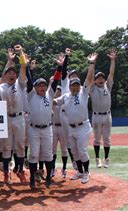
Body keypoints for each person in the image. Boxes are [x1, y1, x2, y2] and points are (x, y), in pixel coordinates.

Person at [54, 53, 97, 184]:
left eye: (77, 85)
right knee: (74, 151)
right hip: (71, 127)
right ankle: (79, 172)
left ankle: (86, 172)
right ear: (70, 86)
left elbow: (89, 79)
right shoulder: (66, 96)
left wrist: (91, 64)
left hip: (83, 127)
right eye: (73, 85)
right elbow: (54, 101)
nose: (75, 87)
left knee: (82, 150)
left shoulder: (84, 93)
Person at [25, 53, 63, 189]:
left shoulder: (50, 94)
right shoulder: (30, 95)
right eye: (39, 85)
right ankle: (32, 179)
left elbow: (57, 80)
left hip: (47, 129)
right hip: (34, 129)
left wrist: (60, 67)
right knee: (34, 154)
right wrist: (28, 66)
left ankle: (48, 178)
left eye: (44, 85)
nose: (42, 87)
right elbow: (29, 80)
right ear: (35, 87)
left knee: (48, 154)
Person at [0, 46, 28, 184]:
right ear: (5, 75)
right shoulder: (0, 88)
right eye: (9, 73)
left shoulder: (20, 84)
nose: (11, 74)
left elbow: (23, 65)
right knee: (6, 146)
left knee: (20, 145)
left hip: (19, 118)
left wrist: (20, 52)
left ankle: (20, 170)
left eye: (13, 73)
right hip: (6, 118)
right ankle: (7, 173)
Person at [90, 49, 117, 168]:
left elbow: (111, 73)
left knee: (107, 139)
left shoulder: (108, 86)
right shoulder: (92, 88)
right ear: (95, 80)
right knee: (96, 139)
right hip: (96, 116)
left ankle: (106, 159)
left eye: (102, 78)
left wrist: (112, 60)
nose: (100, 79)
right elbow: (90, 75)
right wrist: (93, 63)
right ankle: (97, 159)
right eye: (98, 78)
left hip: (107, 115)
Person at [51, 85, 68, 178]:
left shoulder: (65, 102)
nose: (58, 92)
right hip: (53, 126)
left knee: (64, 150)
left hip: (63, 127)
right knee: (52, 150)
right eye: (57, 90)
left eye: (60, 91)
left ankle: (64, 168)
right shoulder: (51, 102)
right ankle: (53, 168)